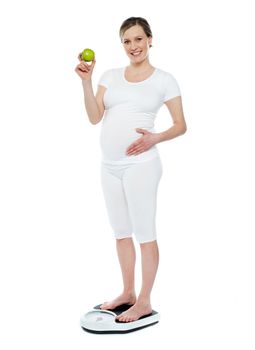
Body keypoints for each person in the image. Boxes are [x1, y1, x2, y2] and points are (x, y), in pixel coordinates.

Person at [75, 17, 187, 323]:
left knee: (144, 234)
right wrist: (86, 81)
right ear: (121, 44)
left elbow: (181, 125)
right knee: (121, 233)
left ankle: (145, 301)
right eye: (127, 41)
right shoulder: (110, 76)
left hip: (141, 165)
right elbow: (94, 117)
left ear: (150, 40)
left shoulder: (165, 79)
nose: (133, 46)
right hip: (109, 166)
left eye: (138, 39)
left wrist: (156, 137)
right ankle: (127, 293)